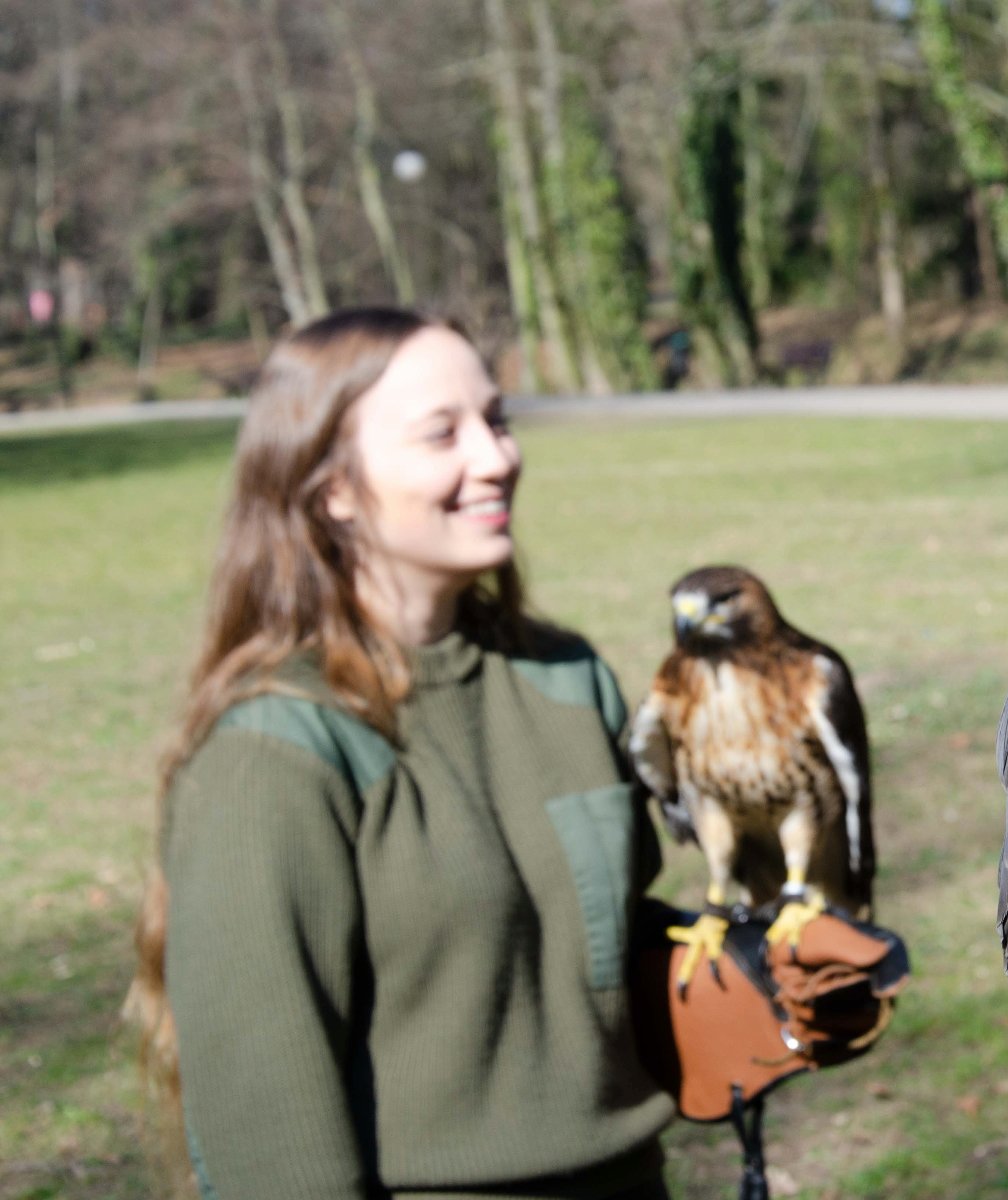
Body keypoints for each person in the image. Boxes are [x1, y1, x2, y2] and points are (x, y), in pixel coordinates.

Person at [126, 308, 674, 1199]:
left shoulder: (565, 680)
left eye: (495, 420)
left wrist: (744, 981)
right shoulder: (274, 753)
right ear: (332, 487)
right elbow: (270, 1137)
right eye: (442, 433)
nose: (496, 457)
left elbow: (595, 940)